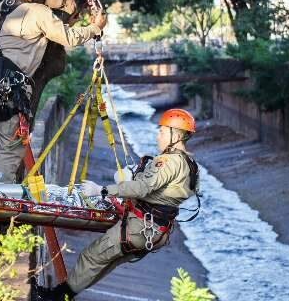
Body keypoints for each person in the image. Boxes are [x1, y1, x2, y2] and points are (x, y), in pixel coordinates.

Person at [35, 109, 200, 300]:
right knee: (103, 264)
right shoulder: (191, 164)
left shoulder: (168, 161)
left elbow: (141, 188)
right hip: (157, 232)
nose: (158, 136)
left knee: (91, 257)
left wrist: (102, 190)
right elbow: (167, 194)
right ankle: (59, 295)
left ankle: (56, 297)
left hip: (140, 228)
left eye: (162, 132)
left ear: (175, 135)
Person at [0, 0, 107, 182]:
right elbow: (69, 38)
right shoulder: (38, 12)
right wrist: (94, 28)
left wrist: (64, 21)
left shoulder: (1, 8)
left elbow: (28, 37)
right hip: (11, 87)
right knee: (9, 150)